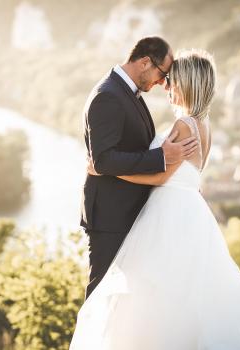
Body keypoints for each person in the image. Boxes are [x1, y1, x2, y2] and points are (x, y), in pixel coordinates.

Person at [70, 49, 240, 349]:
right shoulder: (205, 127)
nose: (167, 87)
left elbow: (161, 176)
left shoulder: (184, 125)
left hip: (169, 214)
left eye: (172, 81)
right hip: (190, 212)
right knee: (187, 295)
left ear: (188, 84)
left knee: (155, 293)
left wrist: (107, 172)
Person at [80, 36, 199, 300]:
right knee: (101, 295)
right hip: (111, 215)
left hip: (129, 213)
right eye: (162, 74)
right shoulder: (108, 96)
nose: (162, 82)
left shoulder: (127, 92)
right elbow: (103, 160)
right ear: (145, 62)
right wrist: (161, 157)